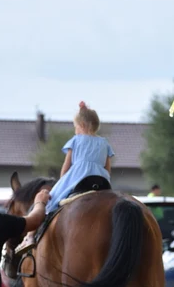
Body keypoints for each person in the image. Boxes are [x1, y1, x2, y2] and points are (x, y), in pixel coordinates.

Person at [16, 101, 114, 254]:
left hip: (77, 179)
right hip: (100, 180)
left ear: (81, 125)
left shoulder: (75, 141)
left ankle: (29, 236)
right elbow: (107, 168)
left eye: (75, 127)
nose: (75, 130)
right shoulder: (104, 143)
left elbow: (66, 166)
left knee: (49, 203)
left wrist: (63, 181)